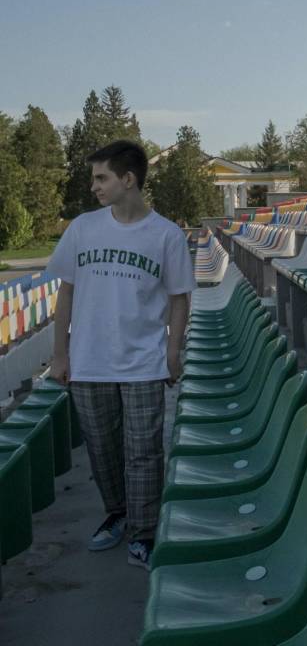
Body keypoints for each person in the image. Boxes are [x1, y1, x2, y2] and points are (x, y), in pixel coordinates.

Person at [45, 139, 194, 570]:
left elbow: (179, 298)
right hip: (89, 359)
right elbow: (66, 293)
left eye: (101, 177)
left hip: (143, 360)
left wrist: (172, 350)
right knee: (102, 446)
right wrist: (60, 354)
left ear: (128, 180)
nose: (94, 186)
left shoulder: (165, 235)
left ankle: (144, 532)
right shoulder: (83, 229)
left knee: (144, 449)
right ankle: (118, 512)